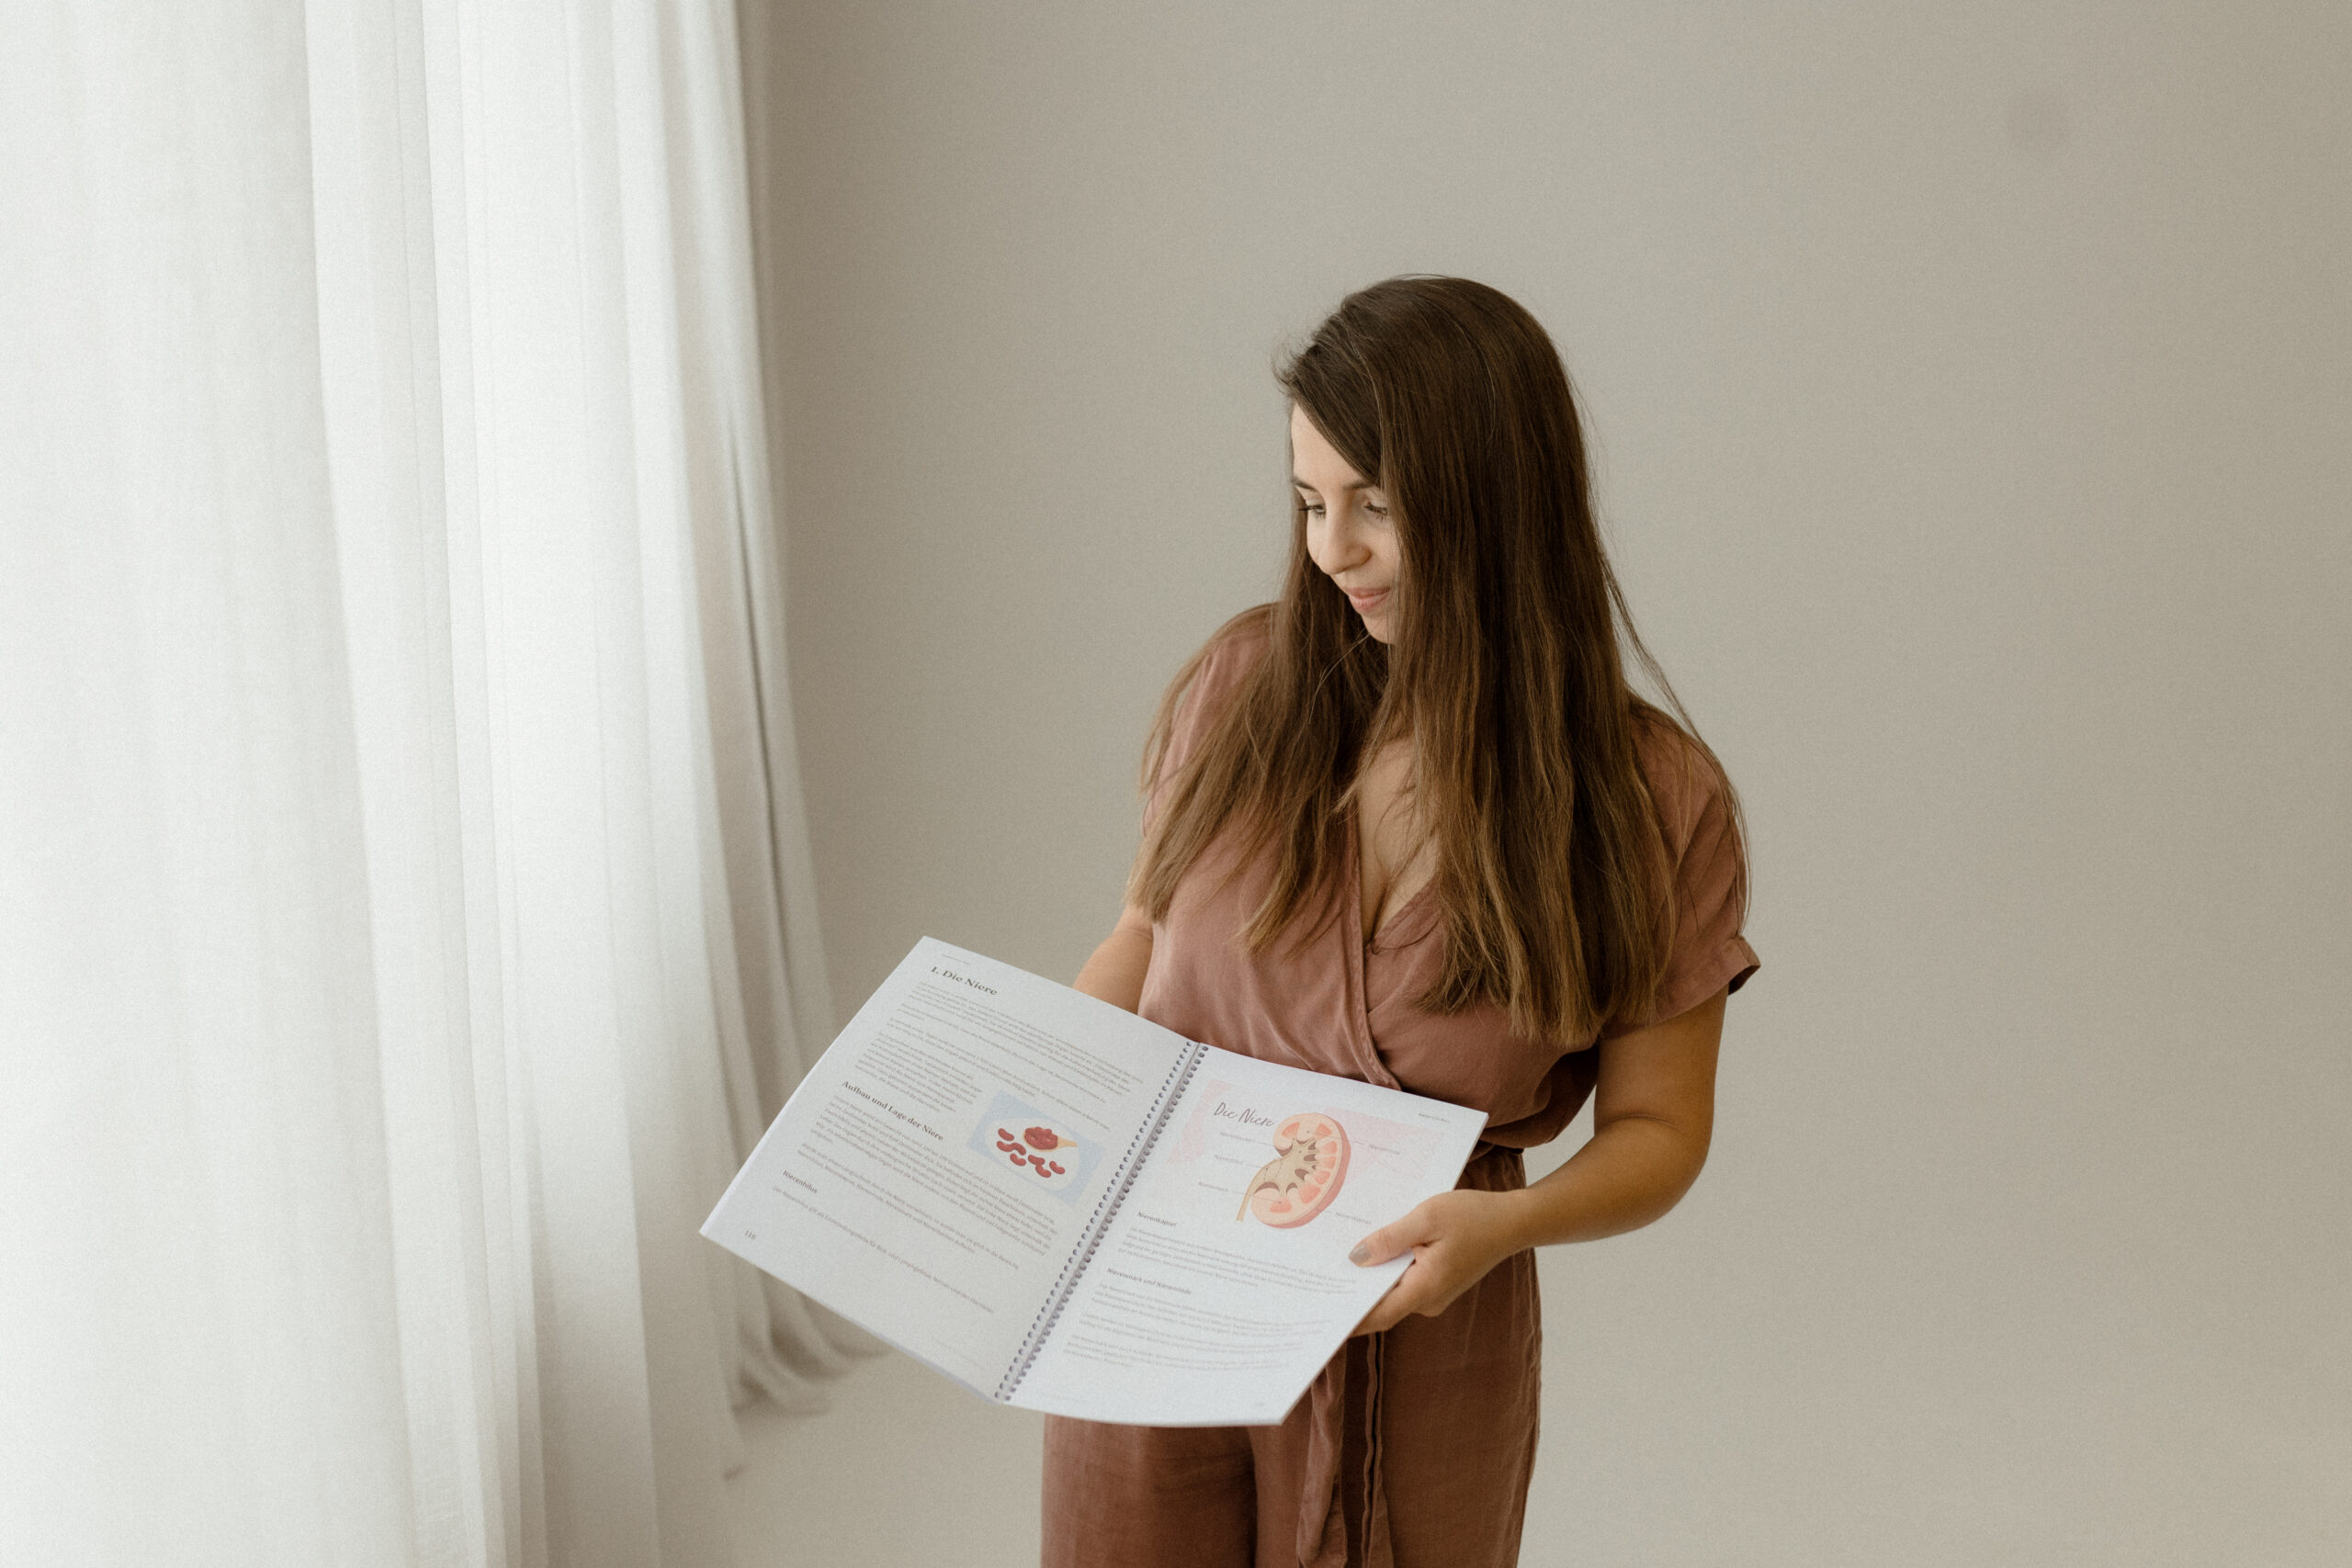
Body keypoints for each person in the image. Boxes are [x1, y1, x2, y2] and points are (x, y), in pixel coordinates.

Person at [1041, 276, 1758, 1568]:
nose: (1333, 550)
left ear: (1495, 500)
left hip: (1424, 1314)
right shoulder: (1242, 690)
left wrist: (1505, 1228)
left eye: (1375, 503)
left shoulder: (1651, 798)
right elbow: (1141, 940)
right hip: (1150, 1277)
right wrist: (1053, 1087)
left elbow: (1658, 1132)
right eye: (1312, 502)